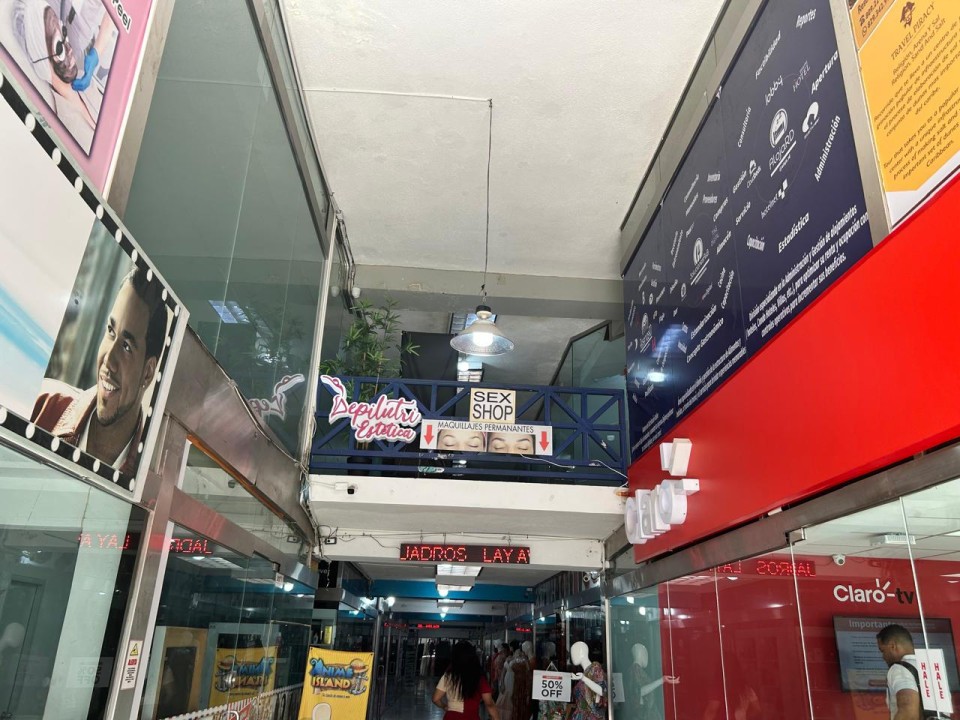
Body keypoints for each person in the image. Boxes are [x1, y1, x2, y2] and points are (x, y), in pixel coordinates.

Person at [31, 265, 166, 474]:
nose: (108, 360)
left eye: (126, 346)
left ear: (147, 373)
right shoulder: (41, 405)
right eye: (110, 331)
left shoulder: (146, 479)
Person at [432, 640, 500, 720]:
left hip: (451, 717)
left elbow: (435, 699)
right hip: (471, 717)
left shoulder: (449, 676)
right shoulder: (479, 678)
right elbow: (489, 704)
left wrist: (444, 706)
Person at [876, 624, 922, 720]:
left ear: (893, 646)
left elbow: (908, 711)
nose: (883, 657)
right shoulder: (929, 667)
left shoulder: (899, 668)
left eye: (883, 650)